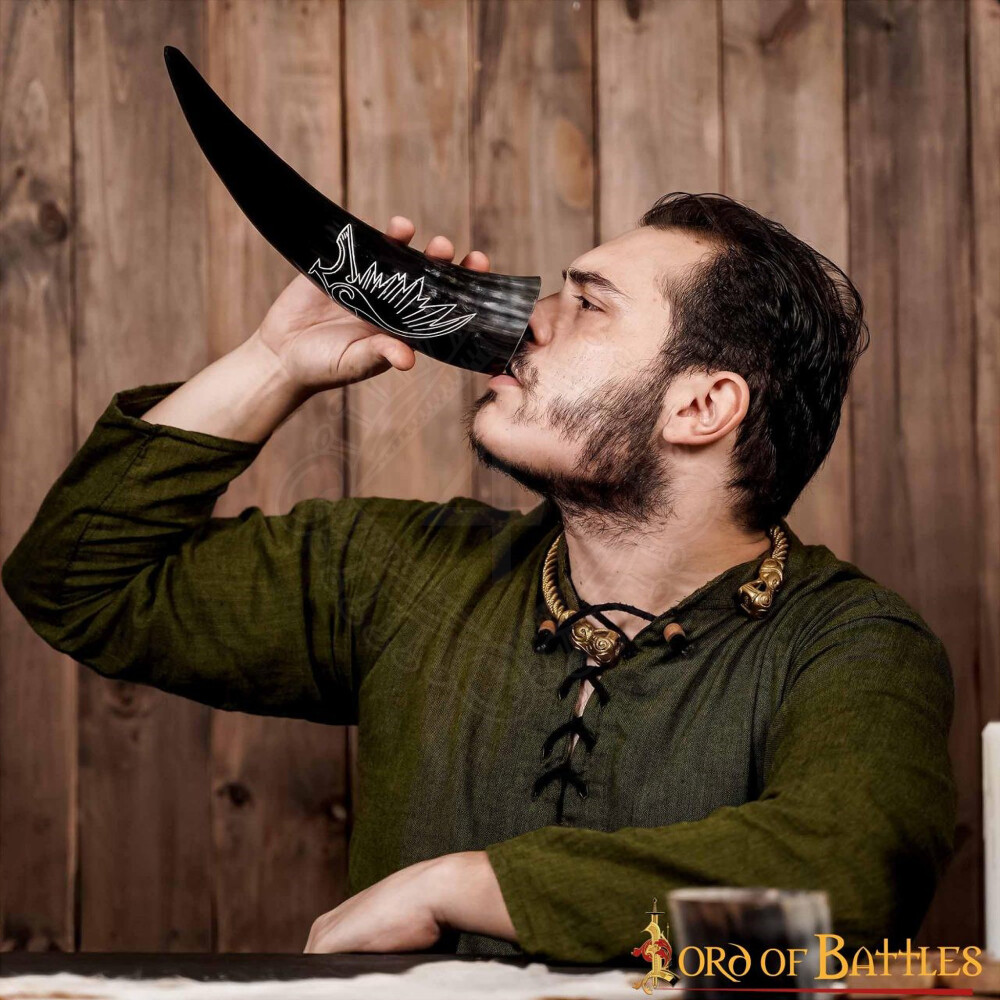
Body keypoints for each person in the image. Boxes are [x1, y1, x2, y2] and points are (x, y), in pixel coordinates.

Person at [2, 193, 956, 964]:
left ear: (702, 405)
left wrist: (463, 887)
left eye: (587, 305)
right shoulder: (401, 572)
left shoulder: (851, 647)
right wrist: (272, 363)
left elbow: (841, 897)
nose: (526, 322)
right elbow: (79, 580)